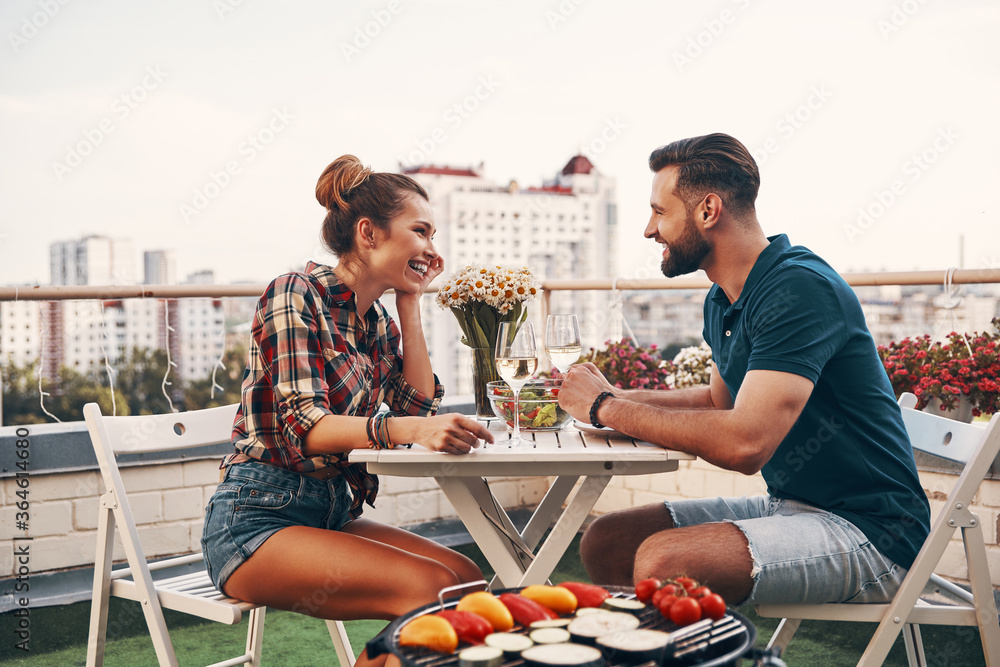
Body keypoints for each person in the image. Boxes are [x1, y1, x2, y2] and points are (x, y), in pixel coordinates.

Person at [558, 133, 931, 606]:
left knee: (664, 561)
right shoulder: (725, 294)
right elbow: (720, 402)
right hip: (792, 506)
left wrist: (605, 408)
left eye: (660, 212)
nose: (649, 230)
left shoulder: (798, 289)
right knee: (608, 540)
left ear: (708, 211)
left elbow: (745, 443)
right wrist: (619, 396)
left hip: (873, 530)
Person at [202, 155, 493, 667]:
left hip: (332, 513)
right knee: (429, 589)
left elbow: (416, 404)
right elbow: (307, 429)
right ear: (369, 233)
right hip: (258, 521)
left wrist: (410, 305)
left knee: (466, 585)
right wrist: (414, 427)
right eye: (421, 230)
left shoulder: (375, 320)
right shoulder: (294, 293)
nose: (431, 247)